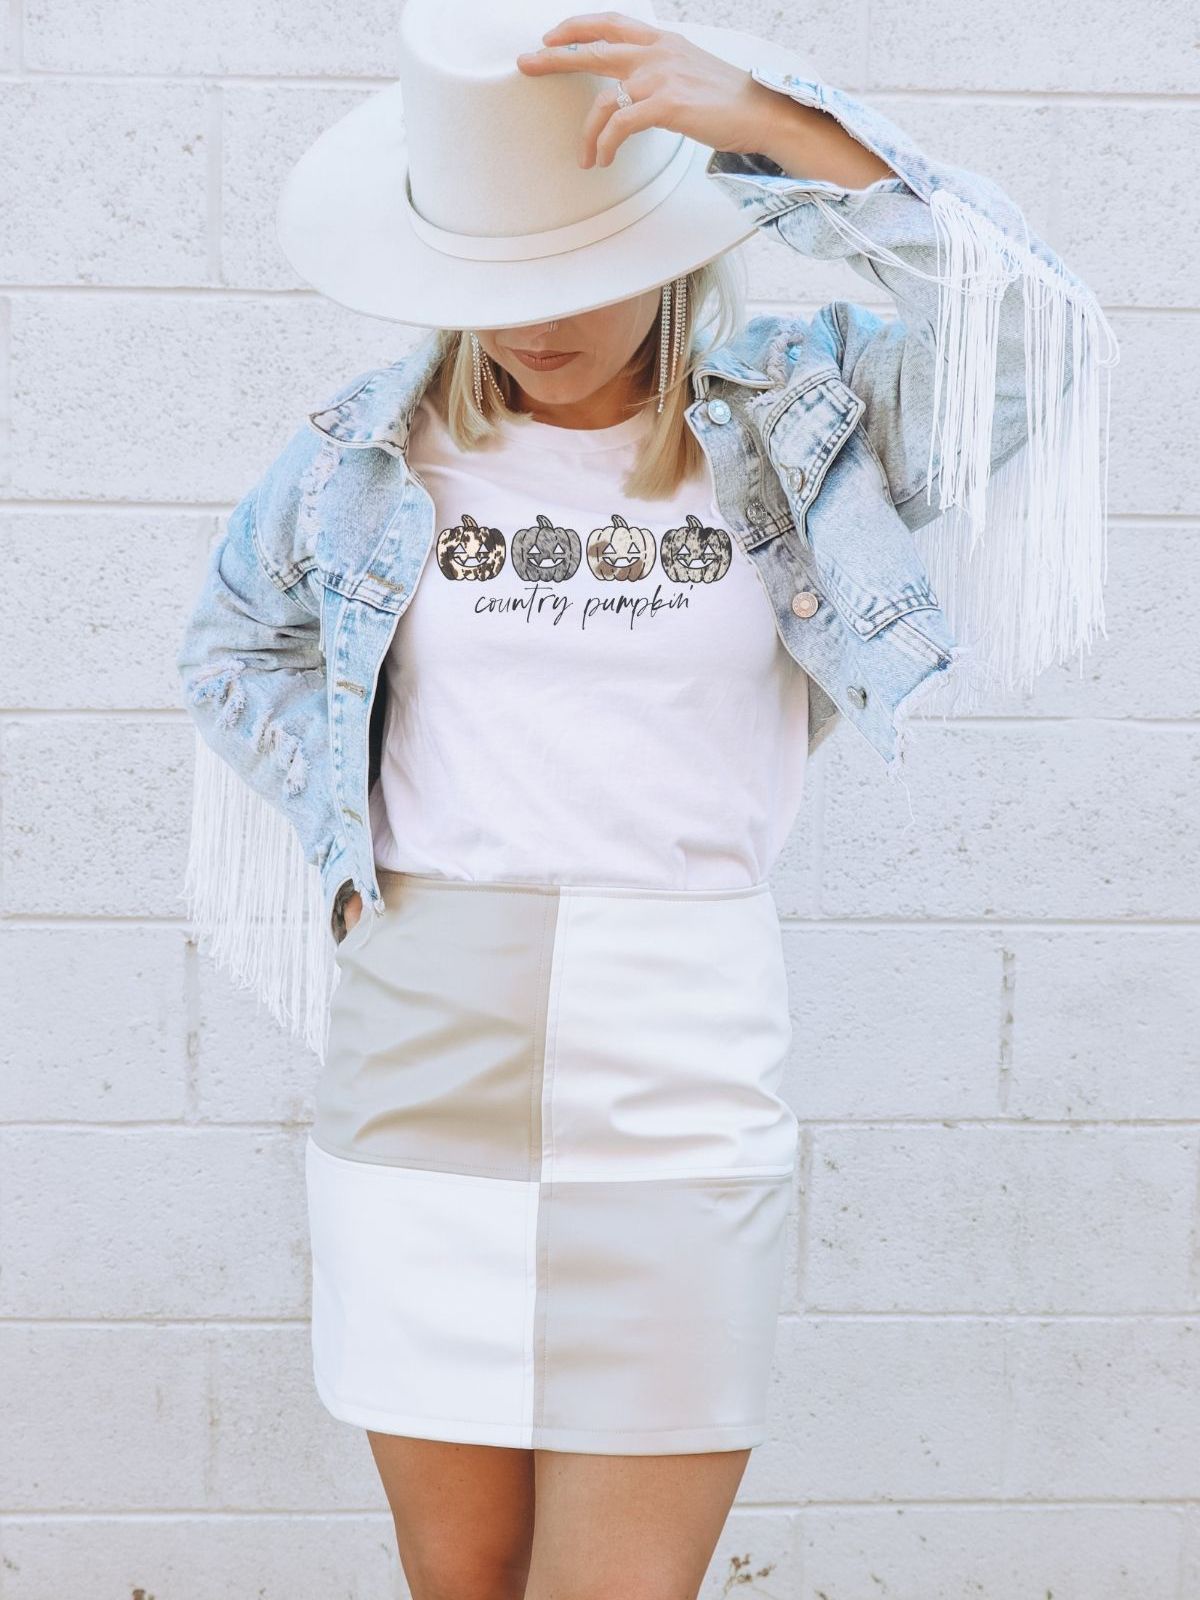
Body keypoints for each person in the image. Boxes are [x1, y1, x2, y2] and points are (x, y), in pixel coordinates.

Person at [175, 3, 1117, 1596]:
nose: (534, 323)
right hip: (422, 1067)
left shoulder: (810, 419)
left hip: (681, 1069)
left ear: (676, 232)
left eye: (576, 270)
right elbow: (234, 645)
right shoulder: (361, 455)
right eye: (493, 280)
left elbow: (1041, 339)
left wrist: (788, 127)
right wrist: (356, 853)